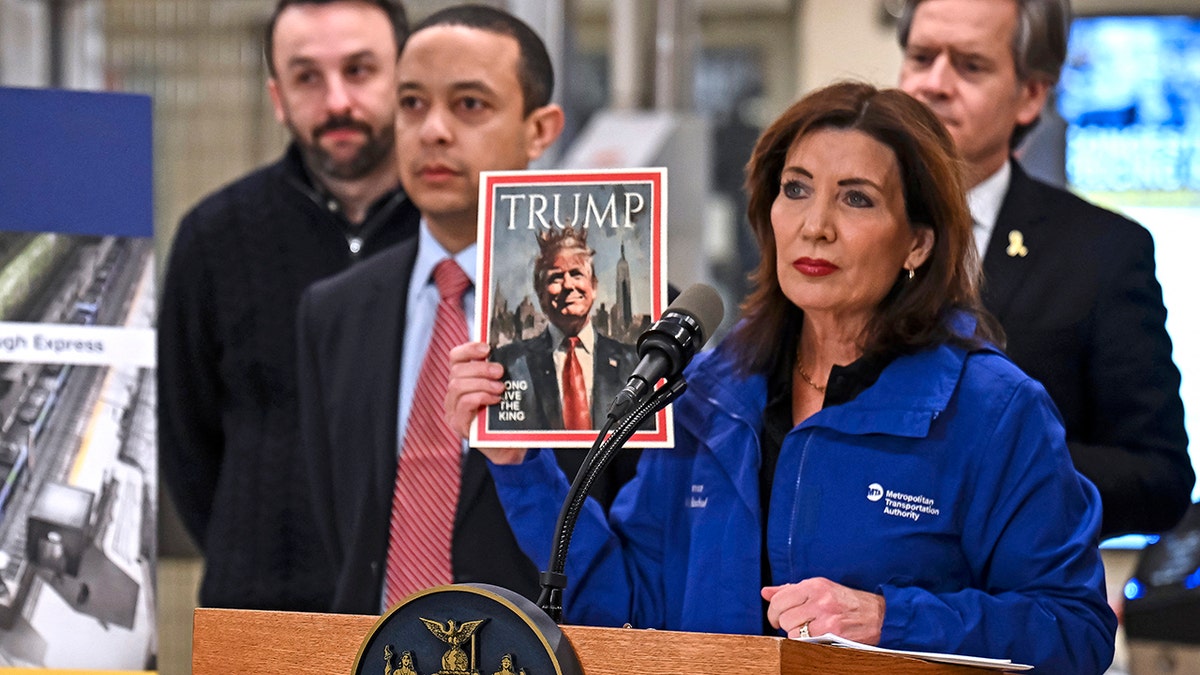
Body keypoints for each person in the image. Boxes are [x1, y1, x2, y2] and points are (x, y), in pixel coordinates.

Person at [447, 82, 1117, 673]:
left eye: (856, 199)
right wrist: (519, 465)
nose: (815, 226)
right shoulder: (707, 391)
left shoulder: (994, 411)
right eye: (795, 189)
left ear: (917, 241)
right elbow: (630, 602)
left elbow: (1075, 631)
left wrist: (890, 619)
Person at [297, 5, 635, 614]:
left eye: (469, 105)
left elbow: (631, 546)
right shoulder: (335, 311)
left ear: (540, 129)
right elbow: (341, 529)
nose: (433, 132)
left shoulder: (618, 312)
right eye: (411, 104)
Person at [157, 0, 419, 611]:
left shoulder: (466, 236)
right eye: (307, 77)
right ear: (277, 97)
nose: (336, 103)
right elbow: (186, 442)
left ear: (406, 82)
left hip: (433, 616)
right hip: (259, 609)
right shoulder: (214, 236)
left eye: (359, 70)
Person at [897, 0, 1193, 538]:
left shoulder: (1102, 251)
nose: (933, 83)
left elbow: (1159, 478)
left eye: (970, 65)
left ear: (1031, 94)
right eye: (920, 58)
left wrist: (997, 465)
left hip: (1009, 603)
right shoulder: (835, 234)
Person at [488, 225, 639, 431]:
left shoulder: (634, 364)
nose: (568, 285)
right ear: (540, 294)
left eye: (577, 274)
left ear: (593, 286)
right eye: (556, 277)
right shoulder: (508, 363)